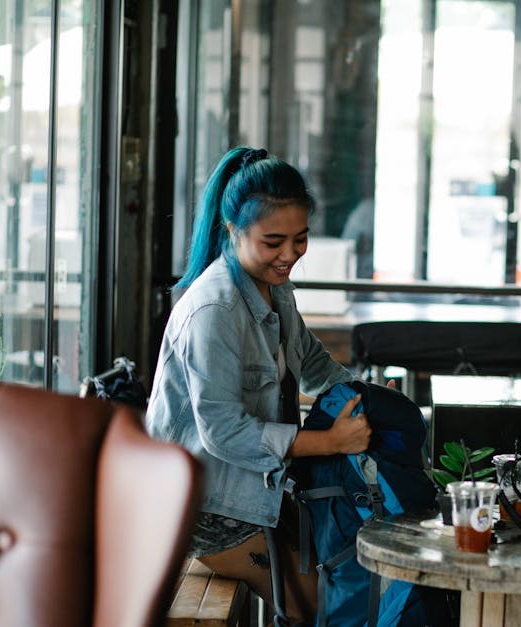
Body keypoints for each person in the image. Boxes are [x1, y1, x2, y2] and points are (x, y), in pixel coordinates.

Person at [145, 146, 371, 624]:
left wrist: (365, 399)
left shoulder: (273, 285)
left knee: (352, 575)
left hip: (252, 491)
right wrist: (330, 440)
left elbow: (309, 359)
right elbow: (223, 431)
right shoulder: (215, 310)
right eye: (274, 242)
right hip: (202, 509)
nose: (289, 255)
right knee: (326, 608)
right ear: (233, 231)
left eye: (300, 239)